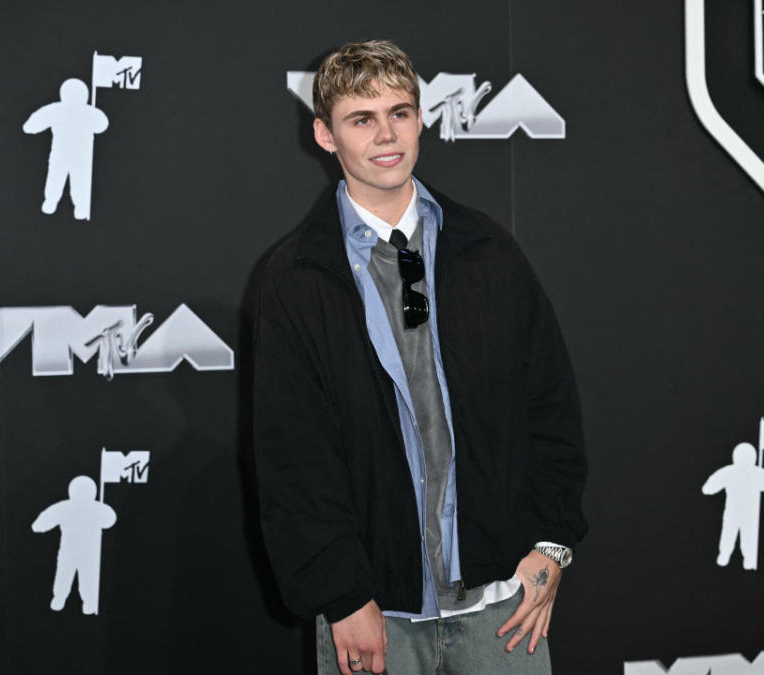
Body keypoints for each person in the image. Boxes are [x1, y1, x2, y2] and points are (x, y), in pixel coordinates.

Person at [251, 40, 587, 674]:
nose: (386, 135)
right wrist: (343, 595)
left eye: (400, 113)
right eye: (362, 118)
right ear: (326, 136)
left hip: (502, 612)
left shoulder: (487, 251)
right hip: (373, 618)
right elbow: (292, 456)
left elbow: (551, 405)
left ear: (421, 118)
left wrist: (553, 546)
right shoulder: (296, 278)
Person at [23, 78, 108, 220]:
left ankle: (73, 205)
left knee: (69, 179)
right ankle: (63, 203)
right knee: (70, 179)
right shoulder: (80, 112)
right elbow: (102, 125)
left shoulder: (60, 110)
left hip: (73, 155)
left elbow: (102, 125)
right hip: (71, 155)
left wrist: (94, 115)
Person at [31, 475, 117, 615]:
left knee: (81, 577)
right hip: (77, 552)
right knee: (72, 576)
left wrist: (103, 511)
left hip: (85, 552)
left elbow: (110, 520)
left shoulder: (75, 507)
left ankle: (84, 601)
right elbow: (43, 521)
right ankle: (65, 598)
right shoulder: (82, 508)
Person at [702, 442, 764, 570]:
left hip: (748, 512)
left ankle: (747, 557)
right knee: (732, 533)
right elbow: (710, 486)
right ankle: (728, 554)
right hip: (736, 511)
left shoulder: (753, 473)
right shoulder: (733, 472)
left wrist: (762, 476)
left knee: (745, 535)